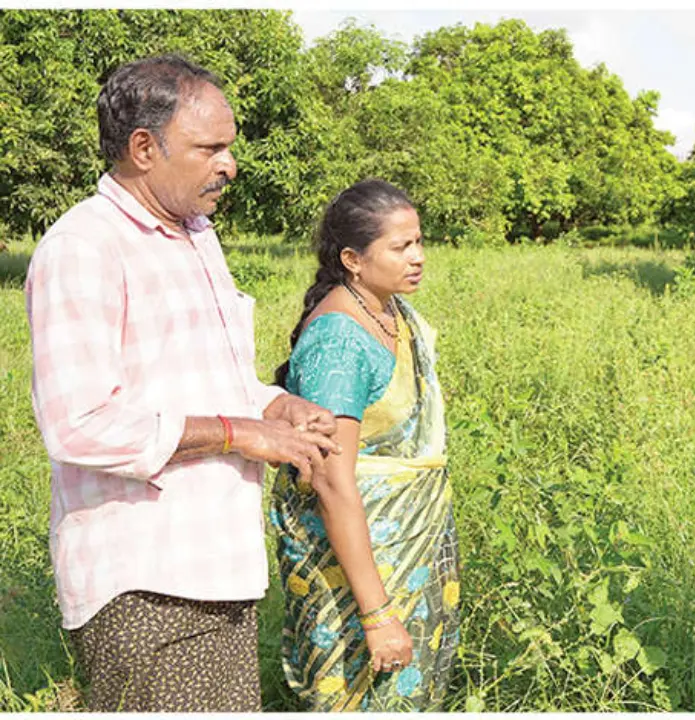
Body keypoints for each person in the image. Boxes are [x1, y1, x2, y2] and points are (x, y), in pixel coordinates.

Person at [23, 54, 341, 712]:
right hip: (146, 581)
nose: (229, 163)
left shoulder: (196, 236)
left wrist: (275, 407)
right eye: (210, 147)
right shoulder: (84, 248)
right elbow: (79, 423)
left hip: (219, 564)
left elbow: (206, 379)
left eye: (230, 145)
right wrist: (238, 434)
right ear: (144, 147)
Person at [270, 179, 460, 711]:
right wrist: (376, 615)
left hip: (406, 551)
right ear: (353, 259)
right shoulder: (339, 340)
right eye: (401, 247)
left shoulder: (391, 312)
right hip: (357, 568)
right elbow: (332, 479)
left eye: (419, 242)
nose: (418, 257)